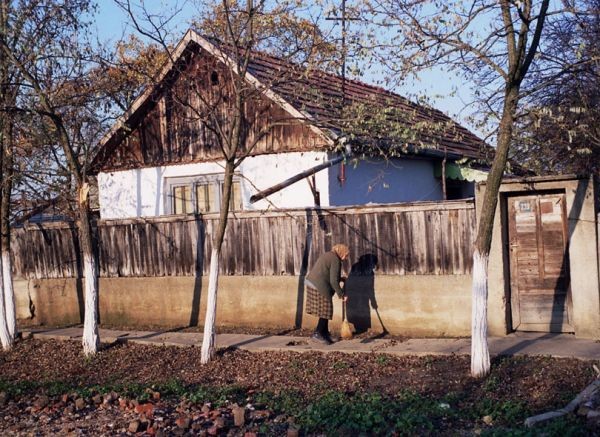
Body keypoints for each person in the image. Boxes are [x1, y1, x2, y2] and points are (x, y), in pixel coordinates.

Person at [305, 244, 349, 345]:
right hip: (319, 285)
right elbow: (333, 281)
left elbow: (328, 274)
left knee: (325, 310)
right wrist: (342, 294)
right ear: (341, 252)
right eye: (346, 255)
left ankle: (324, 333)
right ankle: (317, 333)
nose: (346, 258)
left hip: (312, 283)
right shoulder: (336, 260)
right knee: (325, 310)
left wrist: (340, 279)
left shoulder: (329, 255)